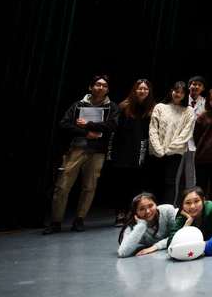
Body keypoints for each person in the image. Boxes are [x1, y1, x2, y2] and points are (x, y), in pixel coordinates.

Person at [47, 75, 120, 234]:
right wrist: (85, 133)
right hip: (76, 149)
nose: (101, 88)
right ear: (90, 87)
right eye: (98, 84)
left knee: (89, 187)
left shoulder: (112, 107)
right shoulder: (78, 105)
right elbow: (64, 124)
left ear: (108, 90)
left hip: (97, 152)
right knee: (62, 186)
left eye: (104, 86)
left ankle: (79, 219)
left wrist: (89, 124)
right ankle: (55, 221)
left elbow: (112, 126)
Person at [108, 79, 154, 226]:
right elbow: (114, 131)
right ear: (135, 90)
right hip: (123, 150)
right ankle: (120, 214)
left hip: (141, 151)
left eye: (145, 89)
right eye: (140, 88)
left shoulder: (151, 108)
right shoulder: (124, 106)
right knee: (122, 184)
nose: (143, 91)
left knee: (137, 185)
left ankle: (134, 214)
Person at [149, 81, 196, 205]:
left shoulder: (188, 111)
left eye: (181, 92)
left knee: (170, 183)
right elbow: (153, 129)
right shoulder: (159, 107)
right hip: (157, 152)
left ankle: (167, 211)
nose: (178, 94)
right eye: (176, 91)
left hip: (175, 153)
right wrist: (159, 149)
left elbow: (187, 132)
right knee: (155, 182)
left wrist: (170, 148)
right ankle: (153, 211)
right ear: (171, 91)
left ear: (185, 95)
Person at [117, 192, 177, 258]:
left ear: (156, 205)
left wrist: (155, 247)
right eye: (142, 209)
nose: (148, 211)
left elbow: (175, 236)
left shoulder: (167, 210)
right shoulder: (132, 225)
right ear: (136, 212)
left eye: (151, 206)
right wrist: (141, 226)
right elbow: (123, 252)